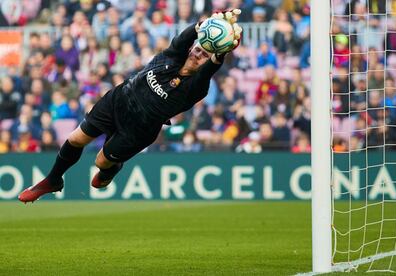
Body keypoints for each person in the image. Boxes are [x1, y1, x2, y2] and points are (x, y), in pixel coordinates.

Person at [18, 9, 243, 203]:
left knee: (101, 161)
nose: (198, 54)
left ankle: (111, 168)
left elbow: (210, 69)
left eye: (204, 55)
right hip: (118, 99)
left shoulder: (196, 86)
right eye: (197, 49)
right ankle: (53, 180)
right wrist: (204, 25)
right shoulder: (172, 56)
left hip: (139, 129)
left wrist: (222, 51)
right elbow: (185, 38)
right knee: (76, 139)